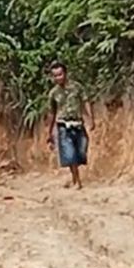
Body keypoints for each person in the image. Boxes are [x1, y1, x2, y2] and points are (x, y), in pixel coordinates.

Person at [46, 61, 92, 190]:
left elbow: (85, 101)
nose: (58, 78)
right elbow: (51, 113)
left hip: (78, 124)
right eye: (55, 76)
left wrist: (90, 118)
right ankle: (77, 181)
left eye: (60, 74)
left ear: (65, 73)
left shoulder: (77, 87)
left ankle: (74, 178)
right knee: (70, 154)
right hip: (63, 126)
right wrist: (49, 132)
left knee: (81, 152)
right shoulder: (53, 93)